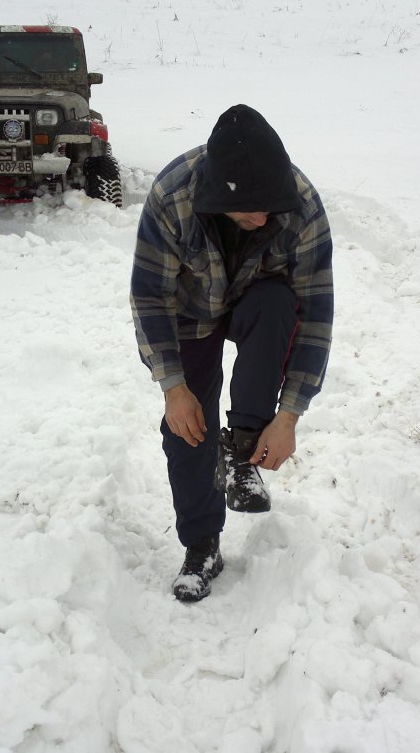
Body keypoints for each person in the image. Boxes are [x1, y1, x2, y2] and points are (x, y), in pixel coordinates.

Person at [130, 104, 334, 603]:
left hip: (254, 302)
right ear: (216, 195)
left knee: (277, 305)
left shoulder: (301, 207)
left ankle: (243, 453)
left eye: (271, 207)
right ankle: (202, 546)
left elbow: (316, 314)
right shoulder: (173, 196)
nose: (263, 218)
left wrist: (288, 416)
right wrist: (173, 389)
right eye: (250, 209)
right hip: (188, 312)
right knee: (186, 429)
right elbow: (150, 294)